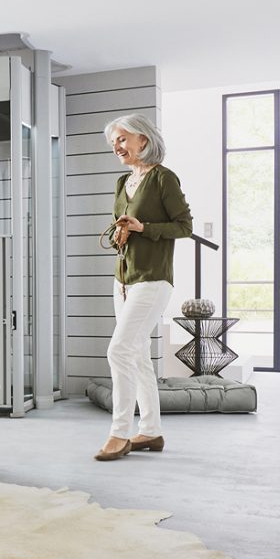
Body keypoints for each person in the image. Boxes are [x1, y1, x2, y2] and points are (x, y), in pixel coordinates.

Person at [95, 114, 192, 462]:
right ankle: (150, 431)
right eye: (113, 143)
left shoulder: (164, 178)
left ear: (143, 141)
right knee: (136, 355)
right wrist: (122, 229)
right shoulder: (124, 181)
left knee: (118, 351)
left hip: (152, 279)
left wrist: (144, 227)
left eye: (122, 140)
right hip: (123, 279)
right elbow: (124, 224)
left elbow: (183, 226)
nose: (116, 147)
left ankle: (119, 433)